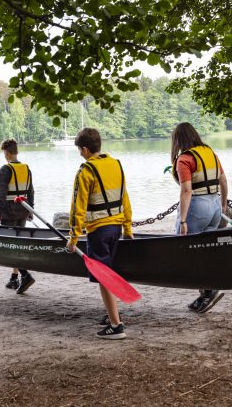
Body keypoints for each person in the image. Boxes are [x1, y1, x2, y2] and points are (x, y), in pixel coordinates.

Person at [66, 128, 133, 340]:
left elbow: (78, 207)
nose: (79, 154)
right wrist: (128, 228)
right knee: (109, 273)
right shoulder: (116, 165)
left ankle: (116, 325)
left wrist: (73, 238)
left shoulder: (85, 171)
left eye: (79, 150)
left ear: (85, 149)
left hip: (98, 230)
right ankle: (112, 314)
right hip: (116, 227)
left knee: (104, 278)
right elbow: (125, 198)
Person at [171, 122, 228, 314]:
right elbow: (223, 180)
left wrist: (183, 220)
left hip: (198, 206)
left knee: (186, 250)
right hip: (214, 205)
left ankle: (209, 290)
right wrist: (223, 204)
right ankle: (205, 293)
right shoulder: (210, 153)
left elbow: (186, 191)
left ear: (178, 140)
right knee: (204, 251)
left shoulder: (184, 159)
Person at [0, 139, 36, 294]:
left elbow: (1, 195)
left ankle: (25, 275)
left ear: (7, 153)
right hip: (23, 210)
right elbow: (30, 192)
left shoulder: (5, 169)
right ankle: (13, 277)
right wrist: (31, 210)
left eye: (4, 153)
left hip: (9, 212)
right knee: (17, 244)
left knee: (10, 247)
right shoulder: (26, 168)